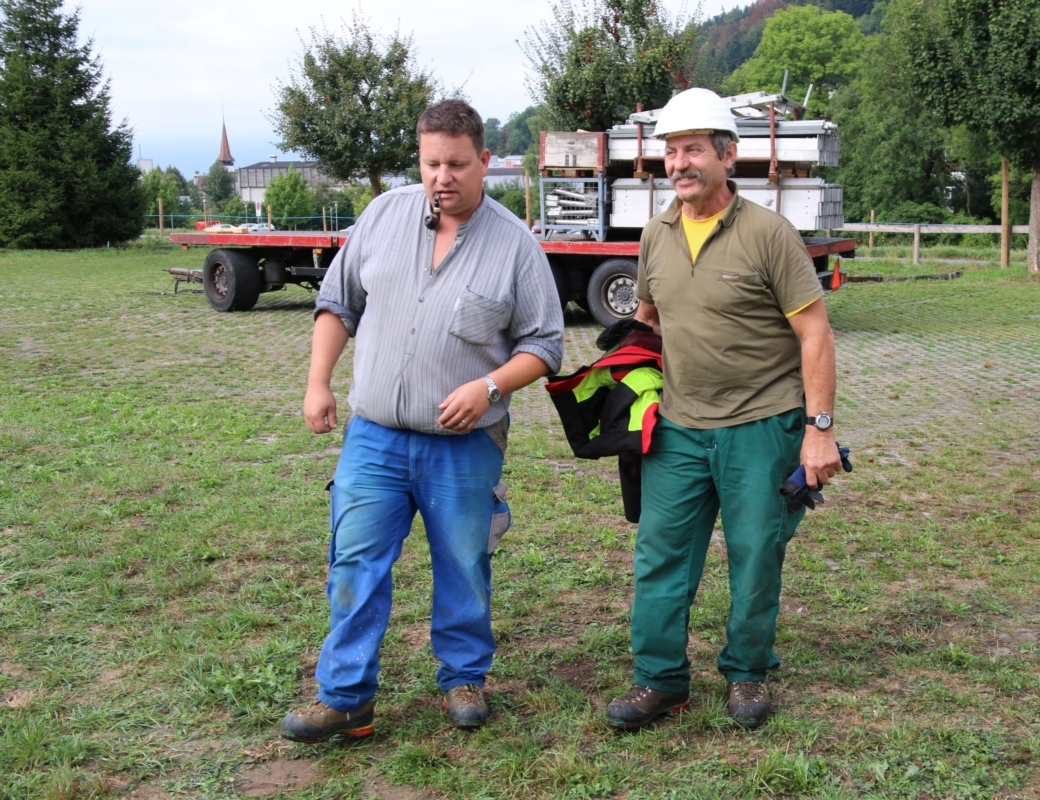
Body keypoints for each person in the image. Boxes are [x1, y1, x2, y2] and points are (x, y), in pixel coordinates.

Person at [281, 99, 565, 743]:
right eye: (432, 163)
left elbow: (545, 345)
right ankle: (346, 699)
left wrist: (489, 386)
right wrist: (318, 382)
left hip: (463, 445)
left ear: (484, 161)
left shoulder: (515, 245)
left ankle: (464, 679)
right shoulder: (382, 216)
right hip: (374, 438)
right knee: (354, 565)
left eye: (457, 164)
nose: (443, 177)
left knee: (464, 562)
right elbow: (338, 303)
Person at [605, 88, 843, 731]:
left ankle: (747, 672)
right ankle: (660, 681)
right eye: (670, 152)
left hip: (761, 426)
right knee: (661, 554)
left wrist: (819, 431)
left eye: (693, 150)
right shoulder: (654, 235)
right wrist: (624, 390)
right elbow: (650, 320)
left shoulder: (769, 234)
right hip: (678, 428)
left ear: (727, 155)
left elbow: (815, 334)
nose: (679, 164)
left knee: (755, 553)